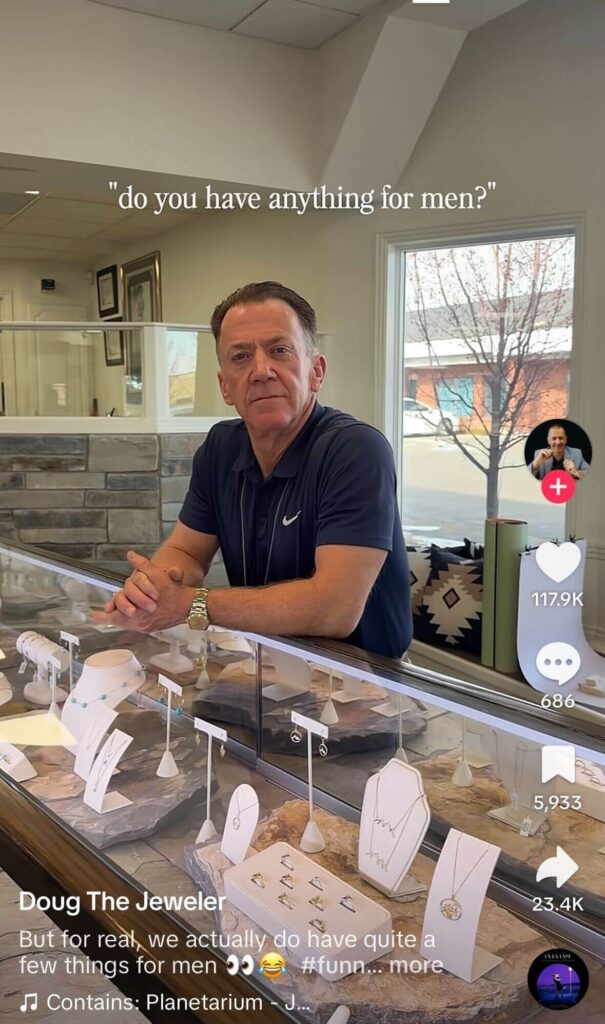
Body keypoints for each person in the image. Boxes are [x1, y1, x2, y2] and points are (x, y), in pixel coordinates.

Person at [94, 282, 412, 659]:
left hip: (366, 683)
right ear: (225, 386)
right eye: (241, 357)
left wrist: (190, 604)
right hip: (267, 660)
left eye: (279, 351)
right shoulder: (220, 447)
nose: (261, 371)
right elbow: (187, 551)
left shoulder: (356, 450)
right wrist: (154, 589)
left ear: (316, 371)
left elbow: (334, 609)